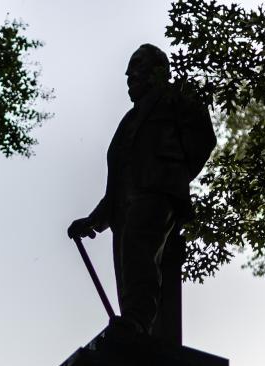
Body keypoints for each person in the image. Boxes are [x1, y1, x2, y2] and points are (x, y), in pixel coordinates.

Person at [68, 43, 216, 336]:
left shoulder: (178, 96)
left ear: (158, 70)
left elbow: (202, 139)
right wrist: (94, 220)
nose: (128, 74)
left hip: (158, 193)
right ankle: (138, 330)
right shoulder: (128, 121)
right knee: (127, 268)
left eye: (137, 65)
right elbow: (118, 183)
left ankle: (137, 320)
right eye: (129, 69)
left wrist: (173, 173)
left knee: (139, 253)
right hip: (124, 206)